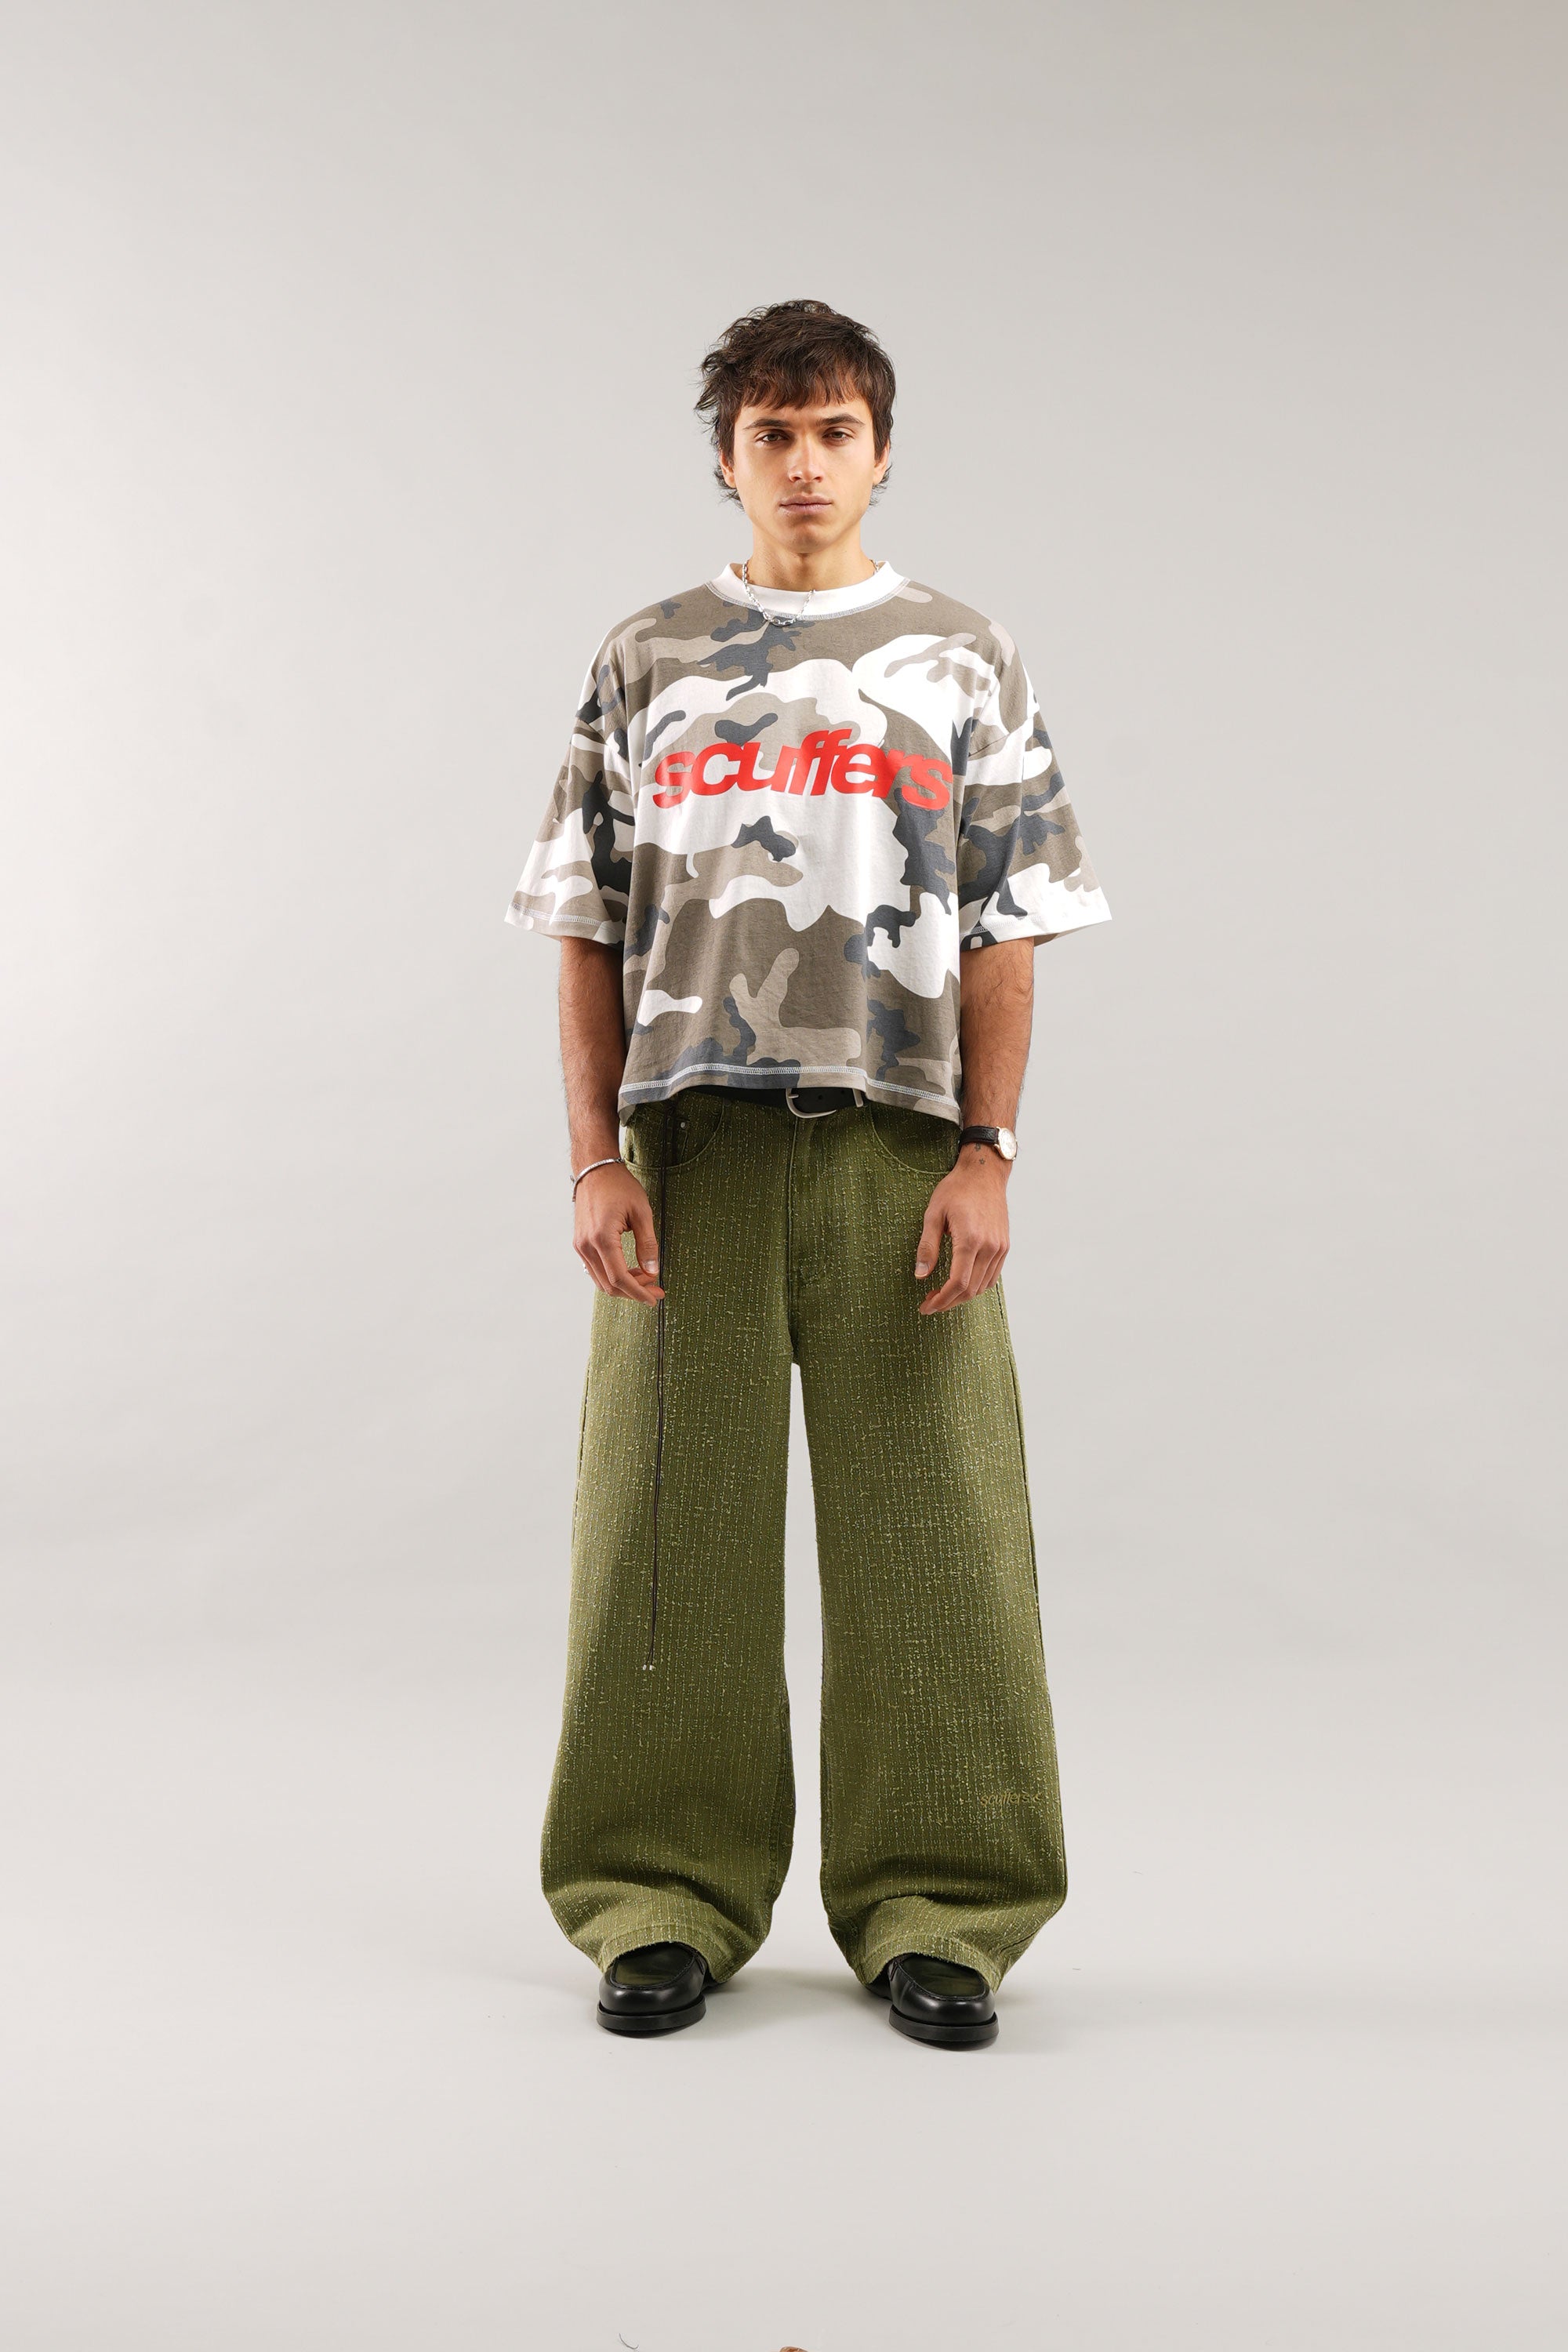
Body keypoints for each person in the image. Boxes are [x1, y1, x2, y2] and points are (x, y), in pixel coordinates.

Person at [506, 298, 1110, 2048]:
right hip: (688, 1152)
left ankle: (944, 1905)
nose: (803, 463)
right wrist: (592, 1159)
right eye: (770, 433)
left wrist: (987, 1151)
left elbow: (1007, 925)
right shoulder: (648, 657)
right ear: (727, 458)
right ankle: (657, 1896)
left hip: (898, 1149)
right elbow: (584, 926)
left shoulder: (960, 657)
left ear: (882, 449)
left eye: (834, 430)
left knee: (937, 1532)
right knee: (662, 1537)